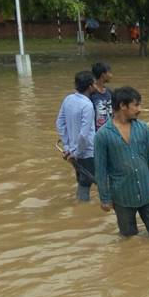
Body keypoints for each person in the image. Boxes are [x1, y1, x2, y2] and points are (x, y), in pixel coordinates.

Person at [94, 87, 149, 236]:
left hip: (148, 193)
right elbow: (100, 169)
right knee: (128, 238)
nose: (139, 109)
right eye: (136, 105)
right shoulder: (102, 135)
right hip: (122, 196)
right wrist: (105, 198)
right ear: (123, 106)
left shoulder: (143, 129)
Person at [56, 71, 97, 201]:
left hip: (72, 151)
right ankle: (83, 212)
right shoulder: (88, 105)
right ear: (90, 86)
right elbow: (84, 135)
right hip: (87, 152)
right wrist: (77, 152)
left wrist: (68, 147)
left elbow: (60, 123)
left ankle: (81, 211)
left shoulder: (68, 99)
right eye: (94, 84)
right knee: (90, 182)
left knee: (82, 180)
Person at [91, 62, 113, 132]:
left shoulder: (109, 92)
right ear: (103, 75)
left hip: (109, 130)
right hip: (96, 133)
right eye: (109, 73)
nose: (111, 75)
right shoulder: (91, 94)